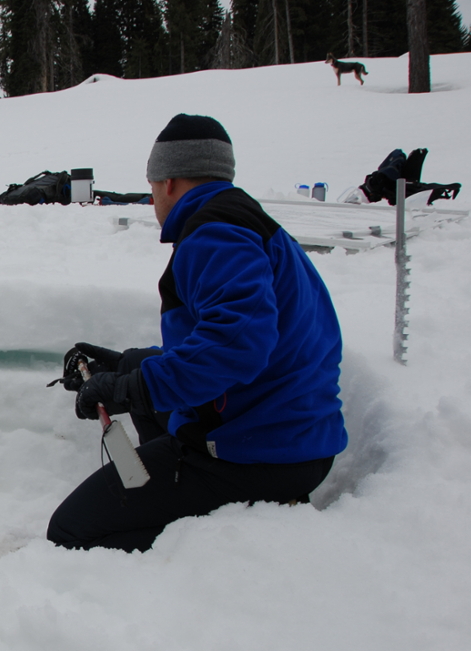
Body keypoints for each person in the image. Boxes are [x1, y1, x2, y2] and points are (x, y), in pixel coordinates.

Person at [48, 114, 347, 552]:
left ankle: (206, 547)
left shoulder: (216, 235)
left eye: (151, 188)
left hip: (257, 452)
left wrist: (130, 389)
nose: (153, 200)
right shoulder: (246, 223)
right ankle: (175, 494)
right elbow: (234, 337)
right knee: (140, 373)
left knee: (72, 531)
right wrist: (126, 366)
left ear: (168, 182)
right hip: (285, 430)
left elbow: (237, 345)